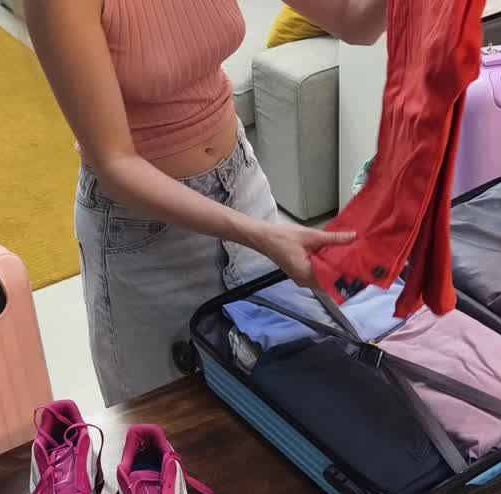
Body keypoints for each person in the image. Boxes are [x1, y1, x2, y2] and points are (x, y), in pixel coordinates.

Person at [26, 0, 387, 406]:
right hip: (143, 234)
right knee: (173, 426)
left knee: (283, 399)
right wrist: (260, 235)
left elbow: (356, 24)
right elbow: (114, 162)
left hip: (241, 187)